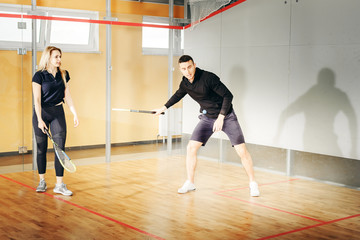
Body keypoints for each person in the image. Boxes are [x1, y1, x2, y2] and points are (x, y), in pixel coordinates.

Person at [154, 55, 260, 197]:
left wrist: (221, 117)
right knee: (191, 147)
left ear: (194, 65)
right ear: (180, 69)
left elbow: (228, 96)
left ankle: (253, 183)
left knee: (242, 151)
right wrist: (164, 108)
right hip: (207, 118)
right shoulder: (185, 83)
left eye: (189, 67)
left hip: (226, 116)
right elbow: (178, 95)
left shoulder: (208, 78)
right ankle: (190, 182)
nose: (187, 71)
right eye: (184, 69)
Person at [32, 46, 79, 196]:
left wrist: (74, 113)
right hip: (42, 113)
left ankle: (59, 185)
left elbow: (68, 96)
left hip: (58, 112)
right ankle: (42, 181)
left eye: (60, 56)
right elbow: (37, 100)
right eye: (56, 57)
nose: (59, 59)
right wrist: (40, 119)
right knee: (41, 149)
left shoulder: (64, 74)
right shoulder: (39, 76)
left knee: (60, 149)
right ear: (48, 58)